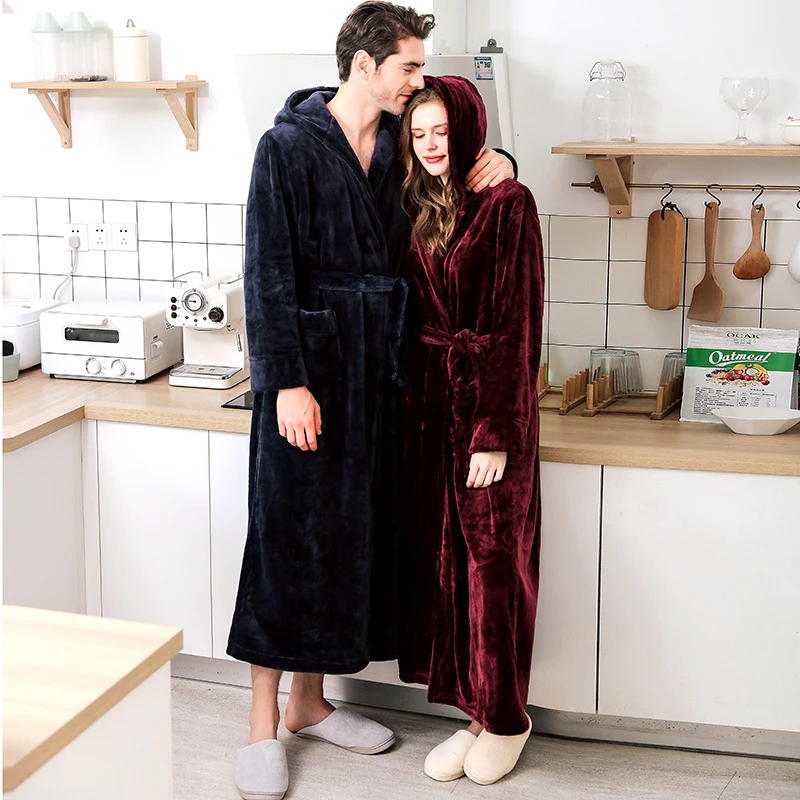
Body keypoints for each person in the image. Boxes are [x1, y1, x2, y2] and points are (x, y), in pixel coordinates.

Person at [226, 5, 515, 799]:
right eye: (410, 67)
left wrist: (500, 160)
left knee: (344, 543)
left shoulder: (396, 144)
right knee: (286, 544)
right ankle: (260, 722)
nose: (419, 80)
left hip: (381, 378)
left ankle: (311, 704)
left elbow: (455, 177)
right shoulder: (286, 148)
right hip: (309, 378)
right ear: (366, 64)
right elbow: (266, 270)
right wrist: (286, 382)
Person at [397, 75, 545, 786]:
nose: (431, 145)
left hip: (489, 412)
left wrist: (494, 433)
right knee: (450, 573)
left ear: (468, 130)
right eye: (419, 133)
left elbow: (518, 325)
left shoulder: (509, 202)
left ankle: (508, 719)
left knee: (494, 570)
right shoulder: (418, 204)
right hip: (431, 412)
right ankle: (475, 714)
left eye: (442, 131)